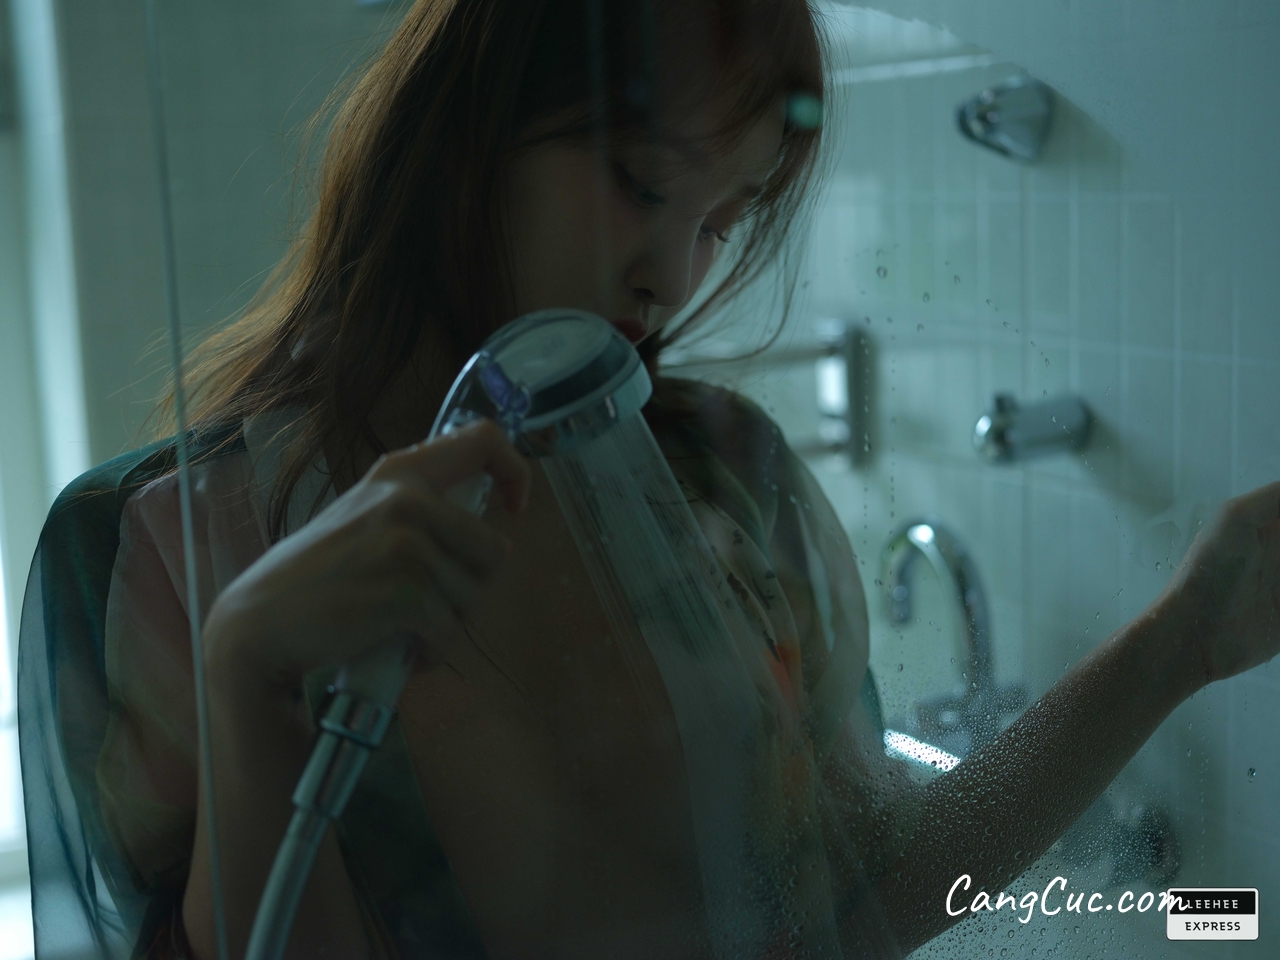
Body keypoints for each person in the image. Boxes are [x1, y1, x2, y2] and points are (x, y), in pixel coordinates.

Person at [16, 0, 1280, 958]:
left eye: (721, 221)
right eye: (641, 185)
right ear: (470, 131)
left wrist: (1181, 640)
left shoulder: (729, 483)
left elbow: (861, 899)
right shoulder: (182, 545)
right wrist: (247, 681)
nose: (673, 279)